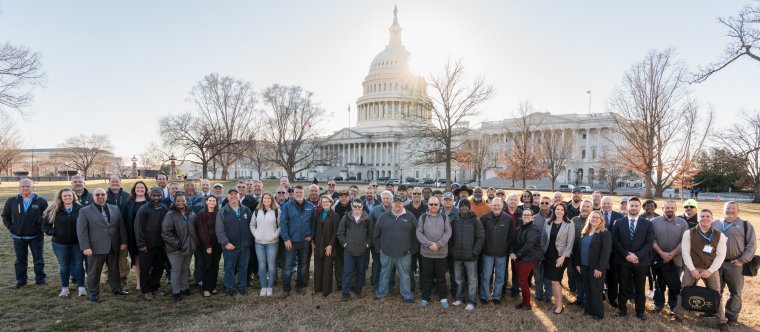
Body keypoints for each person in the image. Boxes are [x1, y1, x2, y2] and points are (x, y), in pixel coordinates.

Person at [76, 188, 129, 302]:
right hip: (95, 247)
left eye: (103, 194)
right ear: (93, 196)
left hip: (113, 245)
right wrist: (85, 247)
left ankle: (117, 289)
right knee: (94, 272)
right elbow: (82, 231)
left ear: (106, 196)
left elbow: (121, 226)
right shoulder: (85, 211)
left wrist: (124, 241)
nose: (100, 196)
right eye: (97, 194)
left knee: (114, 270)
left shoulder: (115, 208)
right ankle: (93, 293)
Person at [680, 209, 728, 330]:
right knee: (684, 290)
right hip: (693, 267)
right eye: (702, 216)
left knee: (716, 294)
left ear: (712, 219)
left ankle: (721, 321)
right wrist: (692, 270)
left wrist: (710, 270)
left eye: (707, 216)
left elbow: (721, 255)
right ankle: (678, 315)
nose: (704, 218)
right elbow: (685, 253)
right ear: (698, 218)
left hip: (711, 268)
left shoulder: (719, 235)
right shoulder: (688, 233)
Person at [713, 201, 756, 326]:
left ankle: (731, 316)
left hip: (735, 264)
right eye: (727, 208)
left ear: (738, 210)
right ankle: (716, 313)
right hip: (716, 263)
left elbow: (752, 245)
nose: (730, 210)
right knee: (716, 289)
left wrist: (741, 260)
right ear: (723, 210)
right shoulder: (716, 223)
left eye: (733, 208)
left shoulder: (745, 225)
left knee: (735, 292)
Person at [611, 197, 655, 320]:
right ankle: (622, 309)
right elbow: (616, 241)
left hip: (641, 262)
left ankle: (640, 312)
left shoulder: (648, 224)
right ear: (627, 207)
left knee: (640, 287)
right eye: (632, 206)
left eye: (636, 206)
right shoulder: (618, 222)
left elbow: (649, 243)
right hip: (622, 260)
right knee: (623, 286)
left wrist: (636, 256)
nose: (634, 208)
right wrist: (626, 255)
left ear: (640, 207)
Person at [3, 179, 49, 288]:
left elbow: (47, 218)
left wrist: (40, 229)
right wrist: (12, 228)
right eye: (23, 186)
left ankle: (40, 280)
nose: (25, 188)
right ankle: (21, 281)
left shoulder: (41, 201)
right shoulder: (12, 201)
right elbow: (5, 216)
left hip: (36, 236)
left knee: (38, 259)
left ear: (33, 187)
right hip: (18, 236)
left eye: (28, 186)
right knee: (20, 260)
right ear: (19, 188)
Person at [373, 194, 419, 304]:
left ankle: (407, 295)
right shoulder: (383, 217)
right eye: (395, 202)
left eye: (399, 202)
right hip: (386, 252)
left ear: (403, 203)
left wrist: (412, 250)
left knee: (405, 275)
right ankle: (381, 293)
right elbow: (376, 234)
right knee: (384, 274)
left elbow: (415, 235)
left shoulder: (410, 216)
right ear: (391, 203)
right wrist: (378, 248)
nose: (397, 204)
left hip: (404, 253)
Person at [42, 188, 85, 297]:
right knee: (64, 266)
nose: (67, 197)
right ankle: (65, 288)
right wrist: (54, 232)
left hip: (78, 243)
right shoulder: (54, 209)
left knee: (78, 266)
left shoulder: (81, 209)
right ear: (61, 197)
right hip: (60, 244)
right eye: (65, 196)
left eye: (69, 195)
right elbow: (45, 225)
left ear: (73, 197)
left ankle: (81, 287)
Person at [651, 201, 689, 317]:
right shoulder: (654, 222)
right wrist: (661, 253)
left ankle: (673, 305)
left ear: (676, 209)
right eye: (667, 207)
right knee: (658, 283)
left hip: (676, 259)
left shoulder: (682, 223)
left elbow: (684, 241)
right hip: (657, 258)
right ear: (663, 208)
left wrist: (671, 254)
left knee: (674, 283)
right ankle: (658, 304)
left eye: (672, 207)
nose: (670, 209)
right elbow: (651, 239)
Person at [216, 188, 254, 296]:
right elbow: (219, 230)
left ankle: (242, 287)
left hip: (244, 246)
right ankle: (230, 288)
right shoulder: (222, 211)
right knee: (229, 268)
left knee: (243, 267)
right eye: (231, 194)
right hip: (229, 246)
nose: (233, 196)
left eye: (235, 194)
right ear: (227, 197)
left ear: (239, 196)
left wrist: (249, 240)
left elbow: (251, 225)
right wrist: (226, 243)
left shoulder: (246, 210)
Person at [416, 196, 452, 308]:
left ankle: (443, 297)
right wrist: (429, 244)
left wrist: (439, 244)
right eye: (431, 204)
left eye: (435, 204)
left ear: (439, 205)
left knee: (441, 277)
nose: (433, 206)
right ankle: (425, 297)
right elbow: (418, 233)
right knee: (427, 277)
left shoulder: (445, 217)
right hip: (426, 253)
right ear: (428, 205)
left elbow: (448, 232)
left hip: (441, 254)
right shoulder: (423, 217)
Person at [161, 193, 198, 302]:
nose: (181, 202)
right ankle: (176, 291)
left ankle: (184, 287)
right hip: (175, 249)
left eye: (183, 200)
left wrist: (195, 243)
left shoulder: (191, 214)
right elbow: (165, 233)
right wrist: (177, 244)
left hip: (189, 247)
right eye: (178, 201)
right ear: (174, 202)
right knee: (176, 270)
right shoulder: (170, 215)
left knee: (185, 269)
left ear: (186, 201)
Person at [279, 185, 315, 297]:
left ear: (304, 193)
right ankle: (286, 288)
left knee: (303, 265)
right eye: (297, 193)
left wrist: (311, 235)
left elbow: (313, 222)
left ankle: (300, 285)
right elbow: (283, 223)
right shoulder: (287, 206)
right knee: (288, 266)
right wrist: (286, 239)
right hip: (291, 241)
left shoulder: (310, 206)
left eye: (300, 192)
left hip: (304, 241)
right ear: (293, 194)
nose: (299, 194)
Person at [575, 211, 612, 320]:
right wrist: (578, 263)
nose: (594, 219)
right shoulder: (585, 232)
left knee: (596, 290)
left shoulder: (604, 233)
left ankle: (598, 314)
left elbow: (606, 253)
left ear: (601, 220)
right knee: (587, 288)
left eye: (597, 217)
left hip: (596, 267)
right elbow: (579, 249)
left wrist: (600, 268)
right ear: (589, 219)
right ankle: (588, 310)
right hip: (584, 265)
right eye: (592, 217)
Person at [449, 200, 484, 311]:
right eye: (462, 206)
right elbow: (450, 237)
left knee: (472, 280)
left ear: (469, 208)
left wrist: (475, 252)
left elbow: (481, 237)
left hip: (471, 257)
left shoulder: (475, 221)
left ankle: (471, 301)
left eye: (466, 206)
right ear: (459, 208)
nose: (464, 208)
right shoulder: (455, 220)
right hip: (457, 256)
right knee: (459, 279)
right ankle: (459, 298)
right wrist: (452, 251)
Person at [134, 187, 169, 300]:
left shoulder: (164, 209)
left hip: (160, 245)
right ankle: (146, 290)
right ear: (149, 196)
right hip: (146, 246)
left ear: (162, 196)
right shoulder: (143, 209)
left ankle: (155, 287)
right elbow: (138, 228)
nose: (156, 198)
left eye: (158, 196)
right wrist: (141, 244)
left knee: (159, 268)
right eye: (154, 195)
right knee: (145, 269)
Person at [541, 202, 574, 314]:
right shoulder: (548, 222)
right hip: (548, 256)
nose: (559, 211)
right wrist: (541, 254)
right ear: (554, 211)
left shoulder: (569, 224)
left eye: (562, 209)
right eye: (557, 209)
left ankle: (560, 305)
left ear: (565, 212)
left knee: (555, 281)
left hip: (560, 256)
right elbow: (543, 239)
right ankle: (556, 303)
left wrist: (563, 257)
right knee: (552, 281)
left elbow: (570, 243)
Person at [338, 198, 373, 301]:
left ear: (362, 207)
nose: (357, 208)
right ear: (351, 207)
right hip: (349, 251)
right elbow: (340, 233)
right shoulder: (346, 218)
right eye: (355, 206)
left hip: (362, 251)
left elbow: (371, 233)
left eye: (359, 206)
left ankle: (358, 291)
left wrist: (367, 244)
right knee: (347, 272)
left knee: (361, 272)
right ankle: (345, 293)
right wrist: (345, 244)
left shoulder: (367, 218)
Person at [479, 198, 512, 305]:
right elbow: (480, 235)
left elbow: (511, 236)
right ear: (490, 205)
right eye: (494, 205)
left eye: (498, 205)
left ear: (502, 206)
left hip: (501, 254)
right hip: (487, 253)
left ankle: (496, 296)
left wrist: (508, 249)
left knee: (500, 276)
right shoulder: (484, 218)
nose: (496, 207)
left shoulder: (508, 218)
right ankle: (484, 296)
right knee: (486, 276)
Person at [510, 209, 543, 310]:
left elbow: (529, 245)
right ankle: (525, 301)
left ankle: (527, 304)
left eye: (529, 215)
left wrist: (518, 254)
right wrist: (511, 252)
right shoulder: (520, 227)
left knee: (522, 281)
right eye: (524, 215)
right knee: (521, 280)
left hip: (529, 258)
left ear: (533, 217)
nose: (526, 216)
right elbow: (514, 241)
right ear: (521, 216)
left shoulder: (533, 229)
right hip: (519, 257)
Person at [121, 181, 149, 293]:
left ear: (146, 190)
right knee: (136, 260)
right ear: (134, 189)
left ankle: (148, 281)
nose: (140, 189)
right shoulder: (128, 203)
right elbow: (123, 221)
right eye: (138, 188)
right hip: (133, 236)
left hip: (148, 236)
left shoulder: (150, 202)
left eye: (142, 188)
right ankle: (139, 283)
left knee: (147, 261)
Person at [249, 192, 280, 297]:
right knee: (261, 265)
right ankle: (263, 286)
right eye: (265, 198)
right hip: (259, 242)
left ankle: (270, 287)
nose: (266, 200)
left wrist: (275, 235)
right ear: (262, 200)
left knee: (271, 265)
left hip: (272, 242)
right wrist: (256, 235)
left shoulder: (277, 211)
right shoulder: (257, 211)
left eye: (268, 198)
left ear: (272, 199)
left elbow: (281, 225)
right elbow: (252, 224)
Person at [313, 195, 340, 297]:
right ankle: (317, 288)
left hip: (328, 245)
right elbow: (316, 228)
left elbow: (336, 232)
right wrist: (313, 241)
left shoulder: (334, 216)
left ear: (331, 202)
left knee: (327, 268)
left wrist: (331, 245)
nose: (324, 203)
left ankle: (326, 290)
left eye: (326, 202)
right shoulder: (319, 214)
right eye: (323, 202)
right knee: (318, 266)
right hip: (318, 244)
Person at [600, 196, 624, 308]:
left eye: (608, 203)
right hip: (599, 252)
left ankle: (613, 299)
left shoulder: (619, 217)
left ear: (612, 204)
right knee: (599, 275)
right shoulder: (595, 215)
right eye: (603, 203)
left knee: (613, 277)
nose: (606, 206)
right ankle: (600, 296)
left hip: (614, 253)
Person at [197, 195, 222, 297]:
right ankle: (206, 288)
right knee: (207, 265)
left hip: (217, 243)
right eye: (210, 200)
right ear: (206, 202)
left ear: (216, 203)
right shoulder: (201, 214)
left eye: (214, 201)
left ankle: (213, 286)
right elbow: (202, 231)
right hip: (206, 243)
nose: (212, 202)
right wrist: (207, 245)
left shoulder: (218, 214)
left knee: (215, 265)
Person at [569, 200, 592, 306]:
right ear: (580, 208)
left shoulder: (595, 219)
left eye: (588, 206)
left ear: (591, 209)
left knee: (587, 278)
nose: (585, 208)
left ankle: (588, 300)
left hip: (589, 255)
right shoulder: (574, 220)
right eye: (583, 206)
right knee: (578, 276)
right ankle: (580, 298)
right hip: (575, 254)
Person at [370, 190, 393, 290]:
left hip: (391, 243)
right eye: (383, 198)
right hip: (377, 242)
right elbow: (370, 226)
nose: (385, 200)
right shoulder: (375, 210)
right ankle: (375, 283)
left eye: (388, 198)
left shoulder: (395, 209)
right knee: (377, 263)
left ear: (391, 199)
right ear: (381, 199)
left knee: (390, 265)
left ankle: (390, 284)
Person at [532, 196, 553, 303]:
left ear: (550, 204)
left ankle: (548, 296)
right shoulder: (534, 218)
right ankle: (539, 295)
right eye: (542, 203)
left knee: (548, 275)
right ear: (539, 204)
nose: (544, 204)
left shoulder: (556, 216)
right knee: (538, 274)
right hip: (536, 251)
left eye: (546, 202)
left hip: (550, 251)